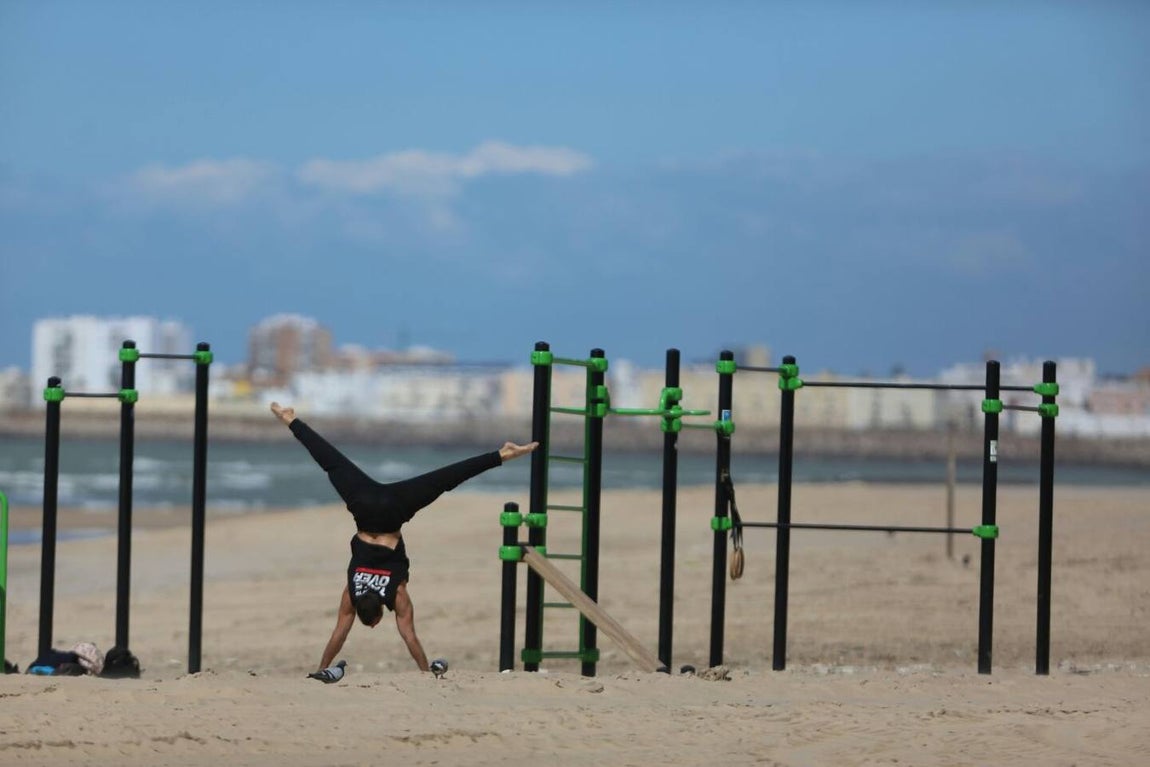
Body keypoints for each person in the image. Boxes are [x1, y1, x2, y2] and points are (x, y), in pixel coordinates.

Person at [270, 402, 538, 675]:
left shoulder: (396, 594)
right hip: (363, 506)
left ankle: (504, 454)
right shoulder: (352, 592)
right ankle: (290, 420)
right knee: (332, 463)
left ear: (376, 615)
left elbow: (404, 636)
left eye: (372, 623)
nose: (374, 626)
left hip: (391, 512)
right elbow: (344, 631)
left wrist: (424, 672)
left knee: (443, 480)